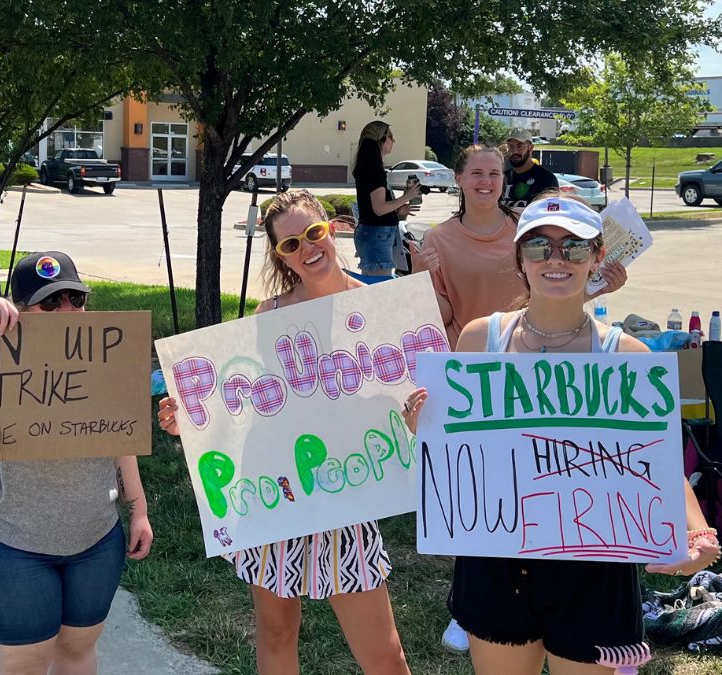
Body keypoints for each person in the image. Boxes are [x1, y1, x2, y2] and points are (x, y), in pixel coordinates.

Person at [403, 196, 721, 674]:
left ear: (596, 258)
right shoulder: (478, 340)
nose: (556, 260)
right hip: (498, 558)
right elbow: (454, 449)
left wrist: (696, 531)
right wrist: (423, 425)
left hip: (594, 563)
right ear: (520, 260)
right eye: (539, 247)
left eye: (573, 248)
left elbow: (657, 461)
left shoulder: (628, 358)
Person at [158, 190, 411, 675]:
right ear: (279, 254)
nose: (306, 249)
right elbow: (247, 398)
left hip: (347, 493)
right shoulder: (270, 315)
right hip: (276, 494)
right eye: (290, 244)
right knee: (276, 635)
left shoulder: (378, 307)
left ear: (331, 230)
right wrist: (189, 418)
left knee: (383, 653)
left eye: (313, 234)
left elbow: (403, 394)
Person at [0, 251, 154, 675]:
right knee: (24, 665)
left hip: (96, 542)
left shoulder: (104, 361)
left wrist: (138, 510)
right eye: (50, 303)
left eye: (75, 299)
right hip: (14, 545)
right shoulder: (1, 365)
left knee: (78, 653)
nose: (67, 310)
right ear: (22, 313)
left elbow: (123, 435)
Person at [412, 147, 626, 348]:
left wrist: (600, 286)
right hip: (471, 355)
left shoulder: (530, 227)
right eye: (477, 173)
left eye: (494, 174)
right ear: (459, 178)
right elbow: (439, 318)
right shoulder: (438, 239)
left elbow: (551, 294)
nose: (486, 181)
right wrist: (419, 279)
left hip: (524, 351)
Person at [352, 121, 420, 277]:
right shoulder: (373, 169)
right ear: (380, 140)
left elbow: (374, 208)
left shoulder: (369, 167)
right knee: (378, 289)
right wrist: (406, 197)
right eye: (390, 136)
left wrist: (398, 211)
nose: (393, 141)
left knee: (375, 285)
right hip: (376, 236)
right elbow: (379, 208)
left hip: (374, 234)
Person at [501, 128, 559, 210]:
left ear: (530, 148)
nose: (514, 151)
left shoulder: (546, 178)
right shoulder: (503, 178)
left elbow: (552, 212)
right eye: (511, 146)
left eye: (520, 146)